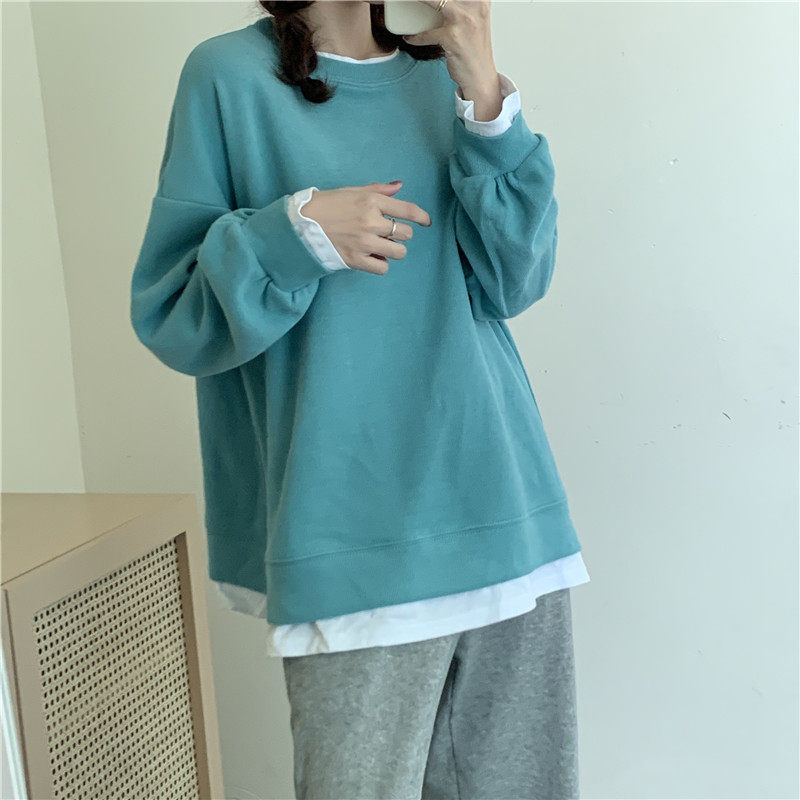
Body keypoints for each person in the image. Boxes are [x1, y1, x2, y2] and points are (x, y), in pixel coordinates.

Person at [130, 1, 591, 797]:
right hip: (351, 542)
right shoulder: (228, 78)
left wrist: (483, 88)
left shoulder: (443, 77)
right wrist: (296, 231)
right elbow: (176, 315)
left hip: (505, 518)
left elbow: (518, 279)